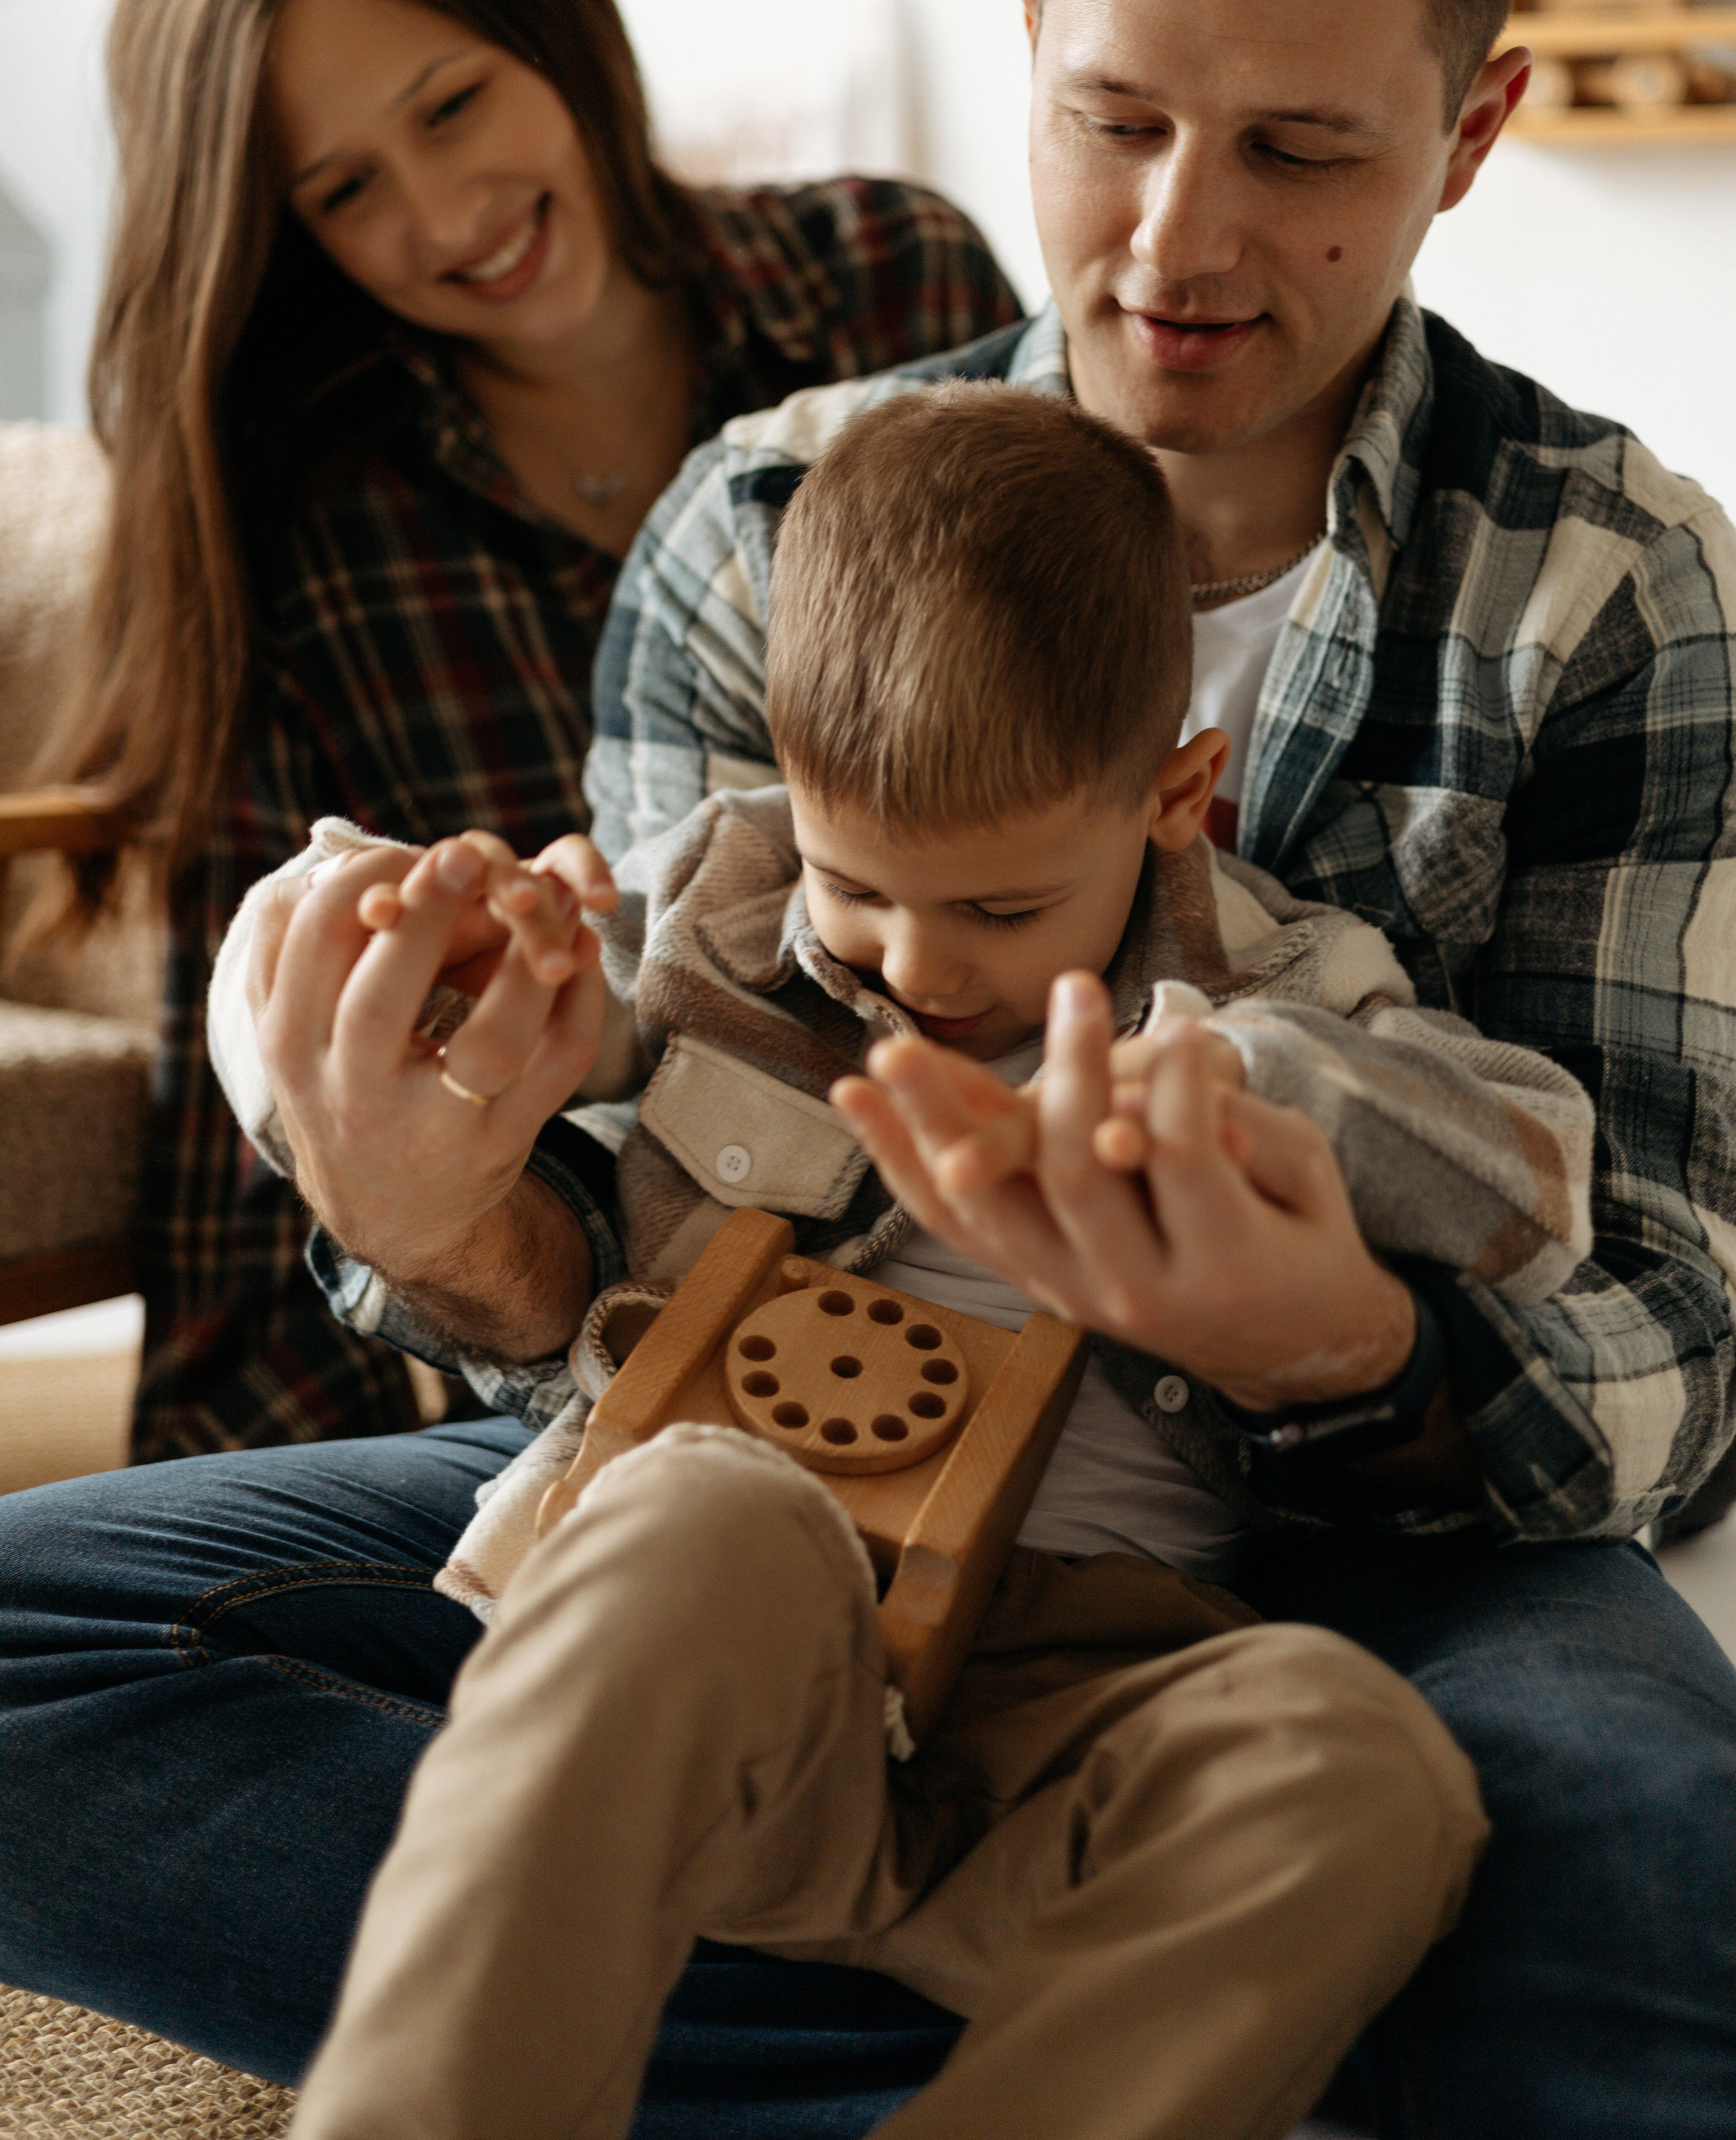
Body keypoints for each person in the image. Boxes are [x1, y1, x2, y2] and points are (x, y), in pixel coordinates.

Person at [3, 0, 1733, 2138]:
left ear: (1472, 130)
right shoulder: (773, 521)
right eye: (1115, 117)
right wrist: (445, 1215)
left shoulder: (1612, 595)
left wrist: (1345, 1353)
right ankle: (1211, 2044)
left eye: (1300, 147)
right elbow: (609, 1256)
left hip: (1352, 1543)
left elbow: (1675, 1317)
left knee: (1642, 1851)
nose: (1177, 236)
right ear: (1025, 42)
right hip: (768, 1491)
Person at [234, 380, 1574, 2140]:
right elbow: (438, 1013)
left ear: (1177, 798)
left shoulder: (1279, 992)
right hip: (740, 1652)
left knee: (1364, 1756)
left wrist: (1233, 1088)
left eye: (1003, 909)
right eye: (860, 886)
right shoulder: (721, 907)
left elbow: (1542, 1177)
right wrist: (435, 954)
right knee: (691, 1505)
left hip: (1083, 1688)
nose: (918, 963)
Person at [39, 0, 1021, 1462]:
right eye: (349, 187)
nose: (445, 217)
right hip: (554, 1319)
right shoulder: (300, 516)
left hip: (988, 1234)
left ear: (549, 27)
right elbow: (272, 1076)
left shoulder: (891, 285)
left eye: (454, 103)